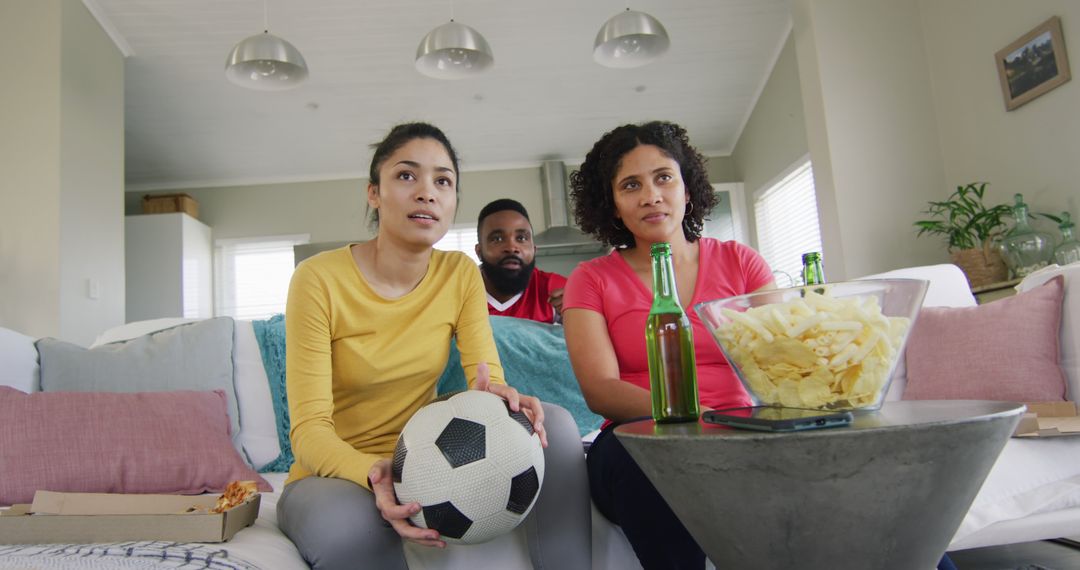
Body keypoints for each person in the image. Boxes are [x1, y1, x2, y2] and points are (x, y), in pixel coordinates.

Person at [277, 123, 590, 570]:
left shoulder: (459, 272)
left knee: (555, 428)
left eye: (443, 181)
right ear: (374, 193)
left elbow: (487, 377)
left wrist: (502, 398)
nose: (427, 193)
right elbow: (308, 433)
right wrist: (372, 471)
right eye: (407, 176)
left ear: (453, 201)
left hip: (425, 459)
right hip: (333, 473)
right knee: (353, 529)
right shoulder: (318, 278)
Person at [561, 120, 776, 569]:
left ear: (687, 188)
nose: (651, 195)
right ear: (613, 206)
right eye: (631, 185)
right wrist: (693, 421)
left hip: (740, 436)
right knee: (639, 459)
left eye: (663, 178)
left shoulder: (741, 262)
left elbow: (781, 361)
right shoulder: (592, 279)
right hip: (639, 443)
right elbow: (600, 389)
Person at [475, 198, 567, 324]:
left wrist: (576, 315)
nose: (512, 247)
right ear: (479, 251)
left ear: (534, 249)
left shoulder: (554, 288)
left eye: (521, 238)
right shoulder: (457, 292)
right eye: (497, 239)